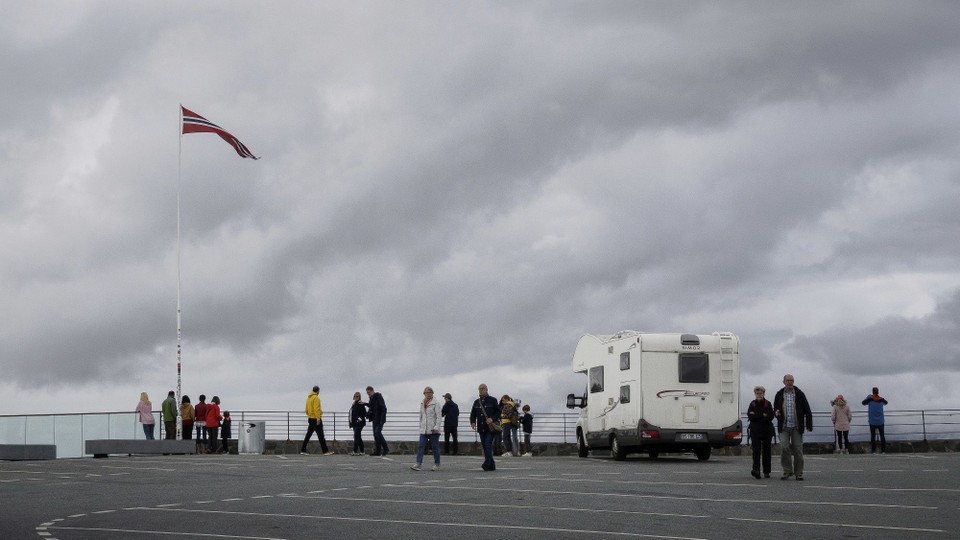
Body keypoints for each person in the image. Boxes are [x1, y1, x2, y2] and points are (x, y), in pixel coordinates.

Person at [773, 374, 813, 481]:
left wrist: (809, 425)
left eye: (791, 380)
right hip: (784, 426)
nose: (789, 382)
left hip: (796, 426)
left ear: (793, 382)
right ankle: (787, 471)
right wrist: (776, 412)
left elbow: (807, 410)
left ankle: (798, 472)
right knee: (784, 448)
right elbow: (775, 407)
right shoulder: (779, 394)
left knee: (798, 450)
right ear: (784, 382)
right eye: (787, 380)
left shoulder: (799, 394)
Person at [470, 383, 501, 471]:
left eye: (483, 388)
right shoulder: (476, 402)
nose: (481, 390)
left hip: (490, 428)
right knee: (484, 446)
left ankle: (487, 463)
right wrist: (472, 422)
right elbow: (473, 414)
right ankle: (491, 464)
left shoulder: (493, 400)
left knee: (488, 444)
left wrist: (492, 418)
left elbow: (498, 412)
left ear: (487, 390)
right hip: (481, 427)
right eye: (479, 389)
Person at [411, 387, 443, 471]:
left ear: (432, 393)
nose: (428, 394)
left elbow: (439, 416)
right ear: (424, 393)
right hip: (424, 429)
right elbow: (421, 416)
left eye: (430, 392)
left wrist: (436, 427)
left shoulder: (436, 403)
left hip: (433, 430)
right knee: (421, 446)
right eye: (426, 392)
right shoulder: (422, 403)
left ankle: (437, 464)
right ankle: (418, 463)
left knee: (434, 447)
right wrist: (421, 426)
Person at [747, 385, 774, 479]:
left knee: (767, 451)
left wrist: (757, 416)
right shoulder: (752, 404)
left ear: (764, 394)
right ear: (755, 394)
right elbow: (750, 416)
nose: (759, 395)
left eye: (760, 393)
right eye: (757, 393)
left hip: (767, 431)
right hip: (755, 431)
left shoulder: (768, 403)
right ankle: (756, 471)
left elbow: (770, 416)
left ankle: (767, 471)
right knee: (756, 451)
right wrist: (762, 415)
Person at [300, 386, 334, 455]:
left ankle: (303, 450)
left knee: (308, 435)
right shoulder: (316, 398)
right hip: (316, 419)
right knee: (321, 436)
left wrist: (309, 415)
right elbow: (317, 409)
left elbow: (306, 410)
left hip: (310, 418)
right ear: (318, 391)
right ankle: (325, 451)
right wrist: (318, 418)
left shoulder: (308, 398)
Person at [862, 387, 889, 454]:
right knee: (882, 436)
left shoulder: (870, 399)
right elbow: (886, 402)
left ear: (872, 392)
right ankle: (883, 451)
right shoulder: (881, 399)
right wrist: (881, 398)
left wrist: (870, 397)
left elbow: (863, 403)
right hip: (880, 421)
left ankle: (873, 451)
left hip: (872, 421)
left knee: (873, 436)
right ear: (878, 392)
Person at [366, 386, 389, 457]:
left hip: (379, 419)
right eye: (367, 393)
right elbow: (371, 407)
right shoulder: (371, 399)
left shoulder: (378, 397)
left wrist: (382, 419)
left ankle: (386, 448)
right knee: (375, 435)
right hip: (374, 419)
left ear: (372, 391)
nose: (368, 394)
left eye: (369, 393)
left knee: (377, 433)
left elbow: (384, 408)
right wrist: (364, 404)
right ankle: (377, 451)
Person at [349, 391, 367, 456]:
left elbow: (364, 413)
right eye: (355, 396)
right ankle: (362, 451)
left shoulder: (360, 404)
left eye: (357, 396)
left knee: (356, 436)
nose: (356, 397)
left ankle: (355, 450)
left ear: (359, 397)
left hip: (359, 423)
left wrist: (359, 419)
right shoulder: (353, 404)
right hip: (354, 423)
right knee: (358, 437)